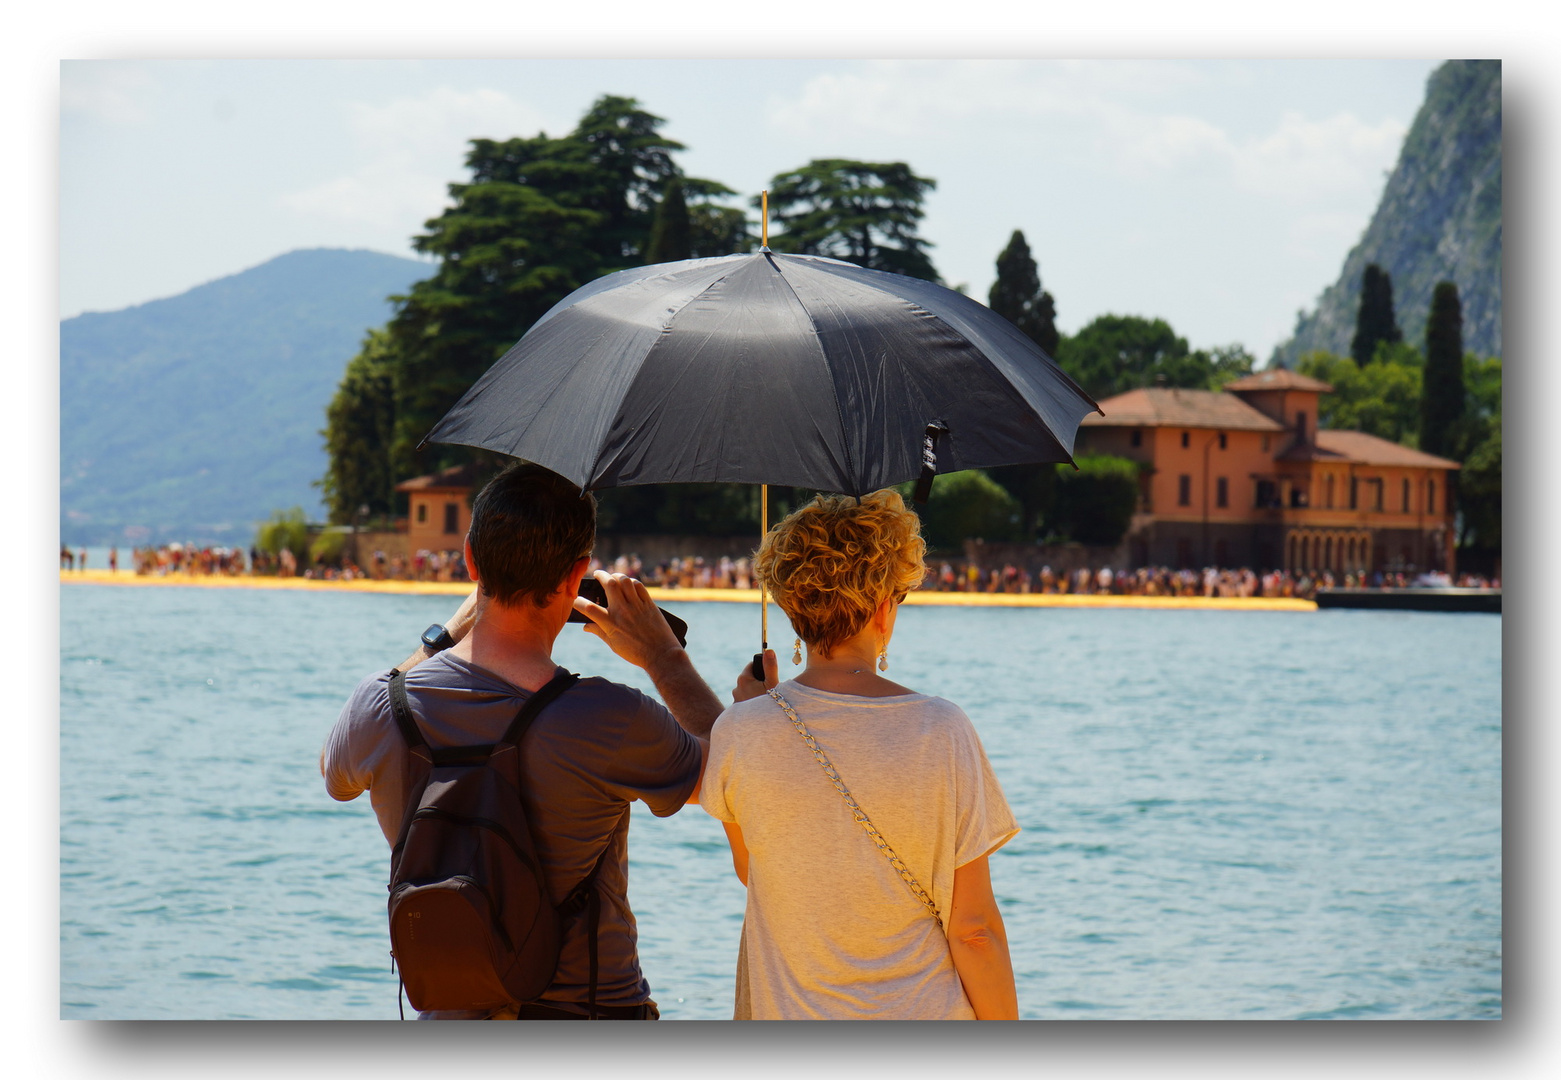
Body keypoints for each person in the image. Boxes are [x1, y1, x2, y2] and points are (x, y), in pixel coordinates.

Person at [322, 463, 730, 1020]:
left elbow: (333, 772)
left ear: (469, 559)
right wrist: (663, 657)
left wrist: (441, 639)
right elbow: (735, 773)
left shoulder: (381, 706)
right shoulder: (609, 716)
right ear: (578, 573)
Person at [703, 489, 1020, 1020]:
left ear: (792, 607)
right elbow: (974, 931)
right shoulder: (942, 730)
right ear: (882, 608)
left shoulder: (740, 729)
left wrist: (757, 712)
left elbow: (754, 871)